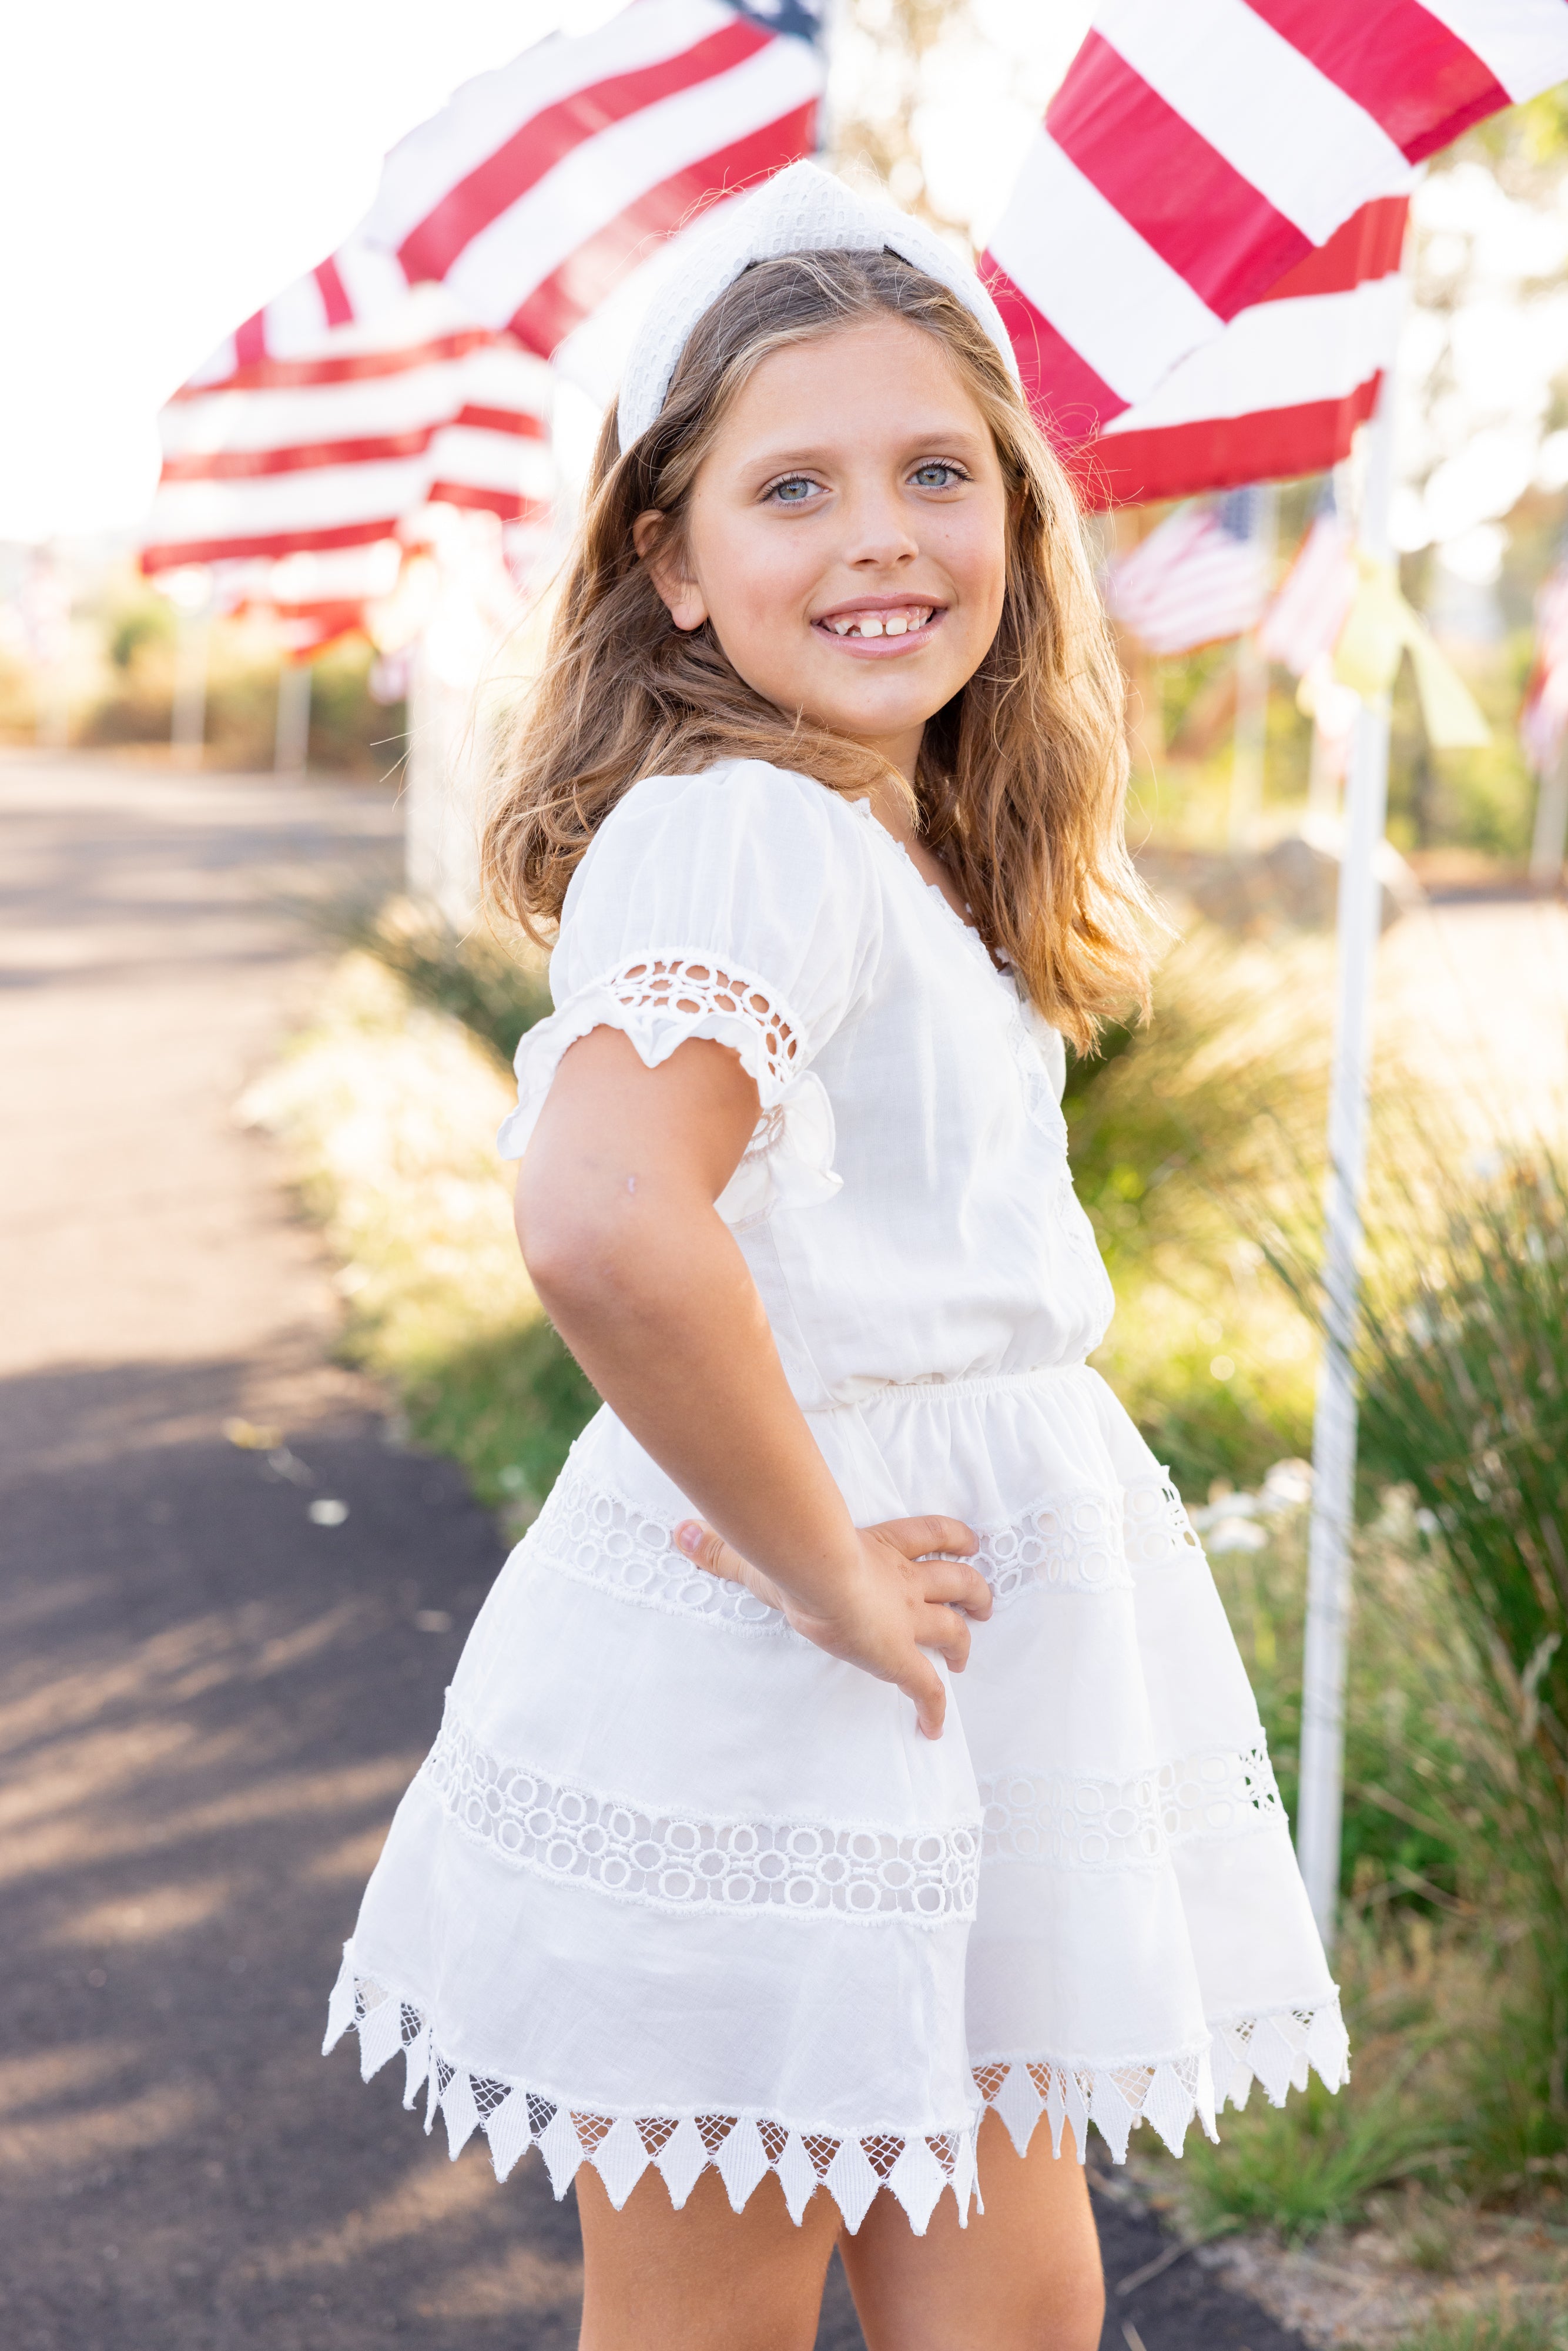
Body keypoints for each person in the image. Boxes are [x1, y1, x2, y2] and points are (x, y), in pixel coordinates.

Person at [324, 163, 1346, 2351]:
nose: (880, 532)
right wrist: (822, 1565)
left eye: (934, 472)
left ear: (1017, 524)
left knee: (1013, 2297)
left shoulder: (876, 839)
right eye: (793, 485)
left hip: (930, 1661)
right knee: (712, 2312)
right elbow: (604, 1215)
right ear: (670, 570)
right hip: (796, 1663)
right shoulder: (745, 829)